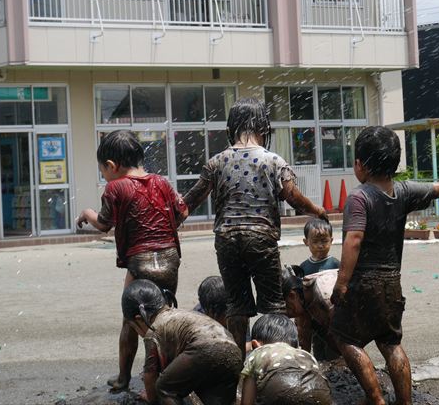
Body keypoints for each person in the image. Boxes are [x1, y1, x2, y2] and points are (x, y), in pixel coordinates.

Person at [330, 126, 439, 405]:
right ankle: (404, 401)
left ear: (360, 165)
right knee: (390, 342)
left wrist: (342, 283)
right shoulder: (404, 192)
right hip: (391, 283)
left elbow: (354, 240)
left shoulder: (359, 197)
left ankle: (376, 399)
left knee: (344, 337)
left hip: (363, 282)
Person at [183, 98, 328, 357]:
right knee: (273, 305)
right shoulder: (272, 161)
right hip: (261, 238)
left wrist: (170, 219)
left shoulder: (216, 162)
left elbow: (190, 201)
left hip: (227, 240)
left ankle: (238, 365)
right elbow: (293, 197)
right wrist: (317, 210)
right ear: (263, 126)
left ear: (232, 127)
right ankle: (277, 360)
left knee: (237, 307)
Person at [76, 130, 188, 391]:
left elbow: (104, 224)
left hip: (140, 262)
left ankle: (124, 377)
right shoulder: (161, 182)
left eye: (103, 171)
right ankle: (171, 372)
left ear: (111, 165)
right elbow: (182, 212)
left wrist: (87, 213)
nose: (104, 176)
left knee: (131, 319)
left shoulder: (115, 187)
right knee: (164, 316)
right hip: (170, 259)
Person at [122, 279, 242, 405]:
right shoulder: (180, 314)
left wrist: (151, 397)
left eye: (133, 328)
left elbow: (150, 373)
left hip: (205, 349)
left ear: (139, 319)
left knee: (164, 388)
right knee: (216, 399)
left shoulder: (153, 330)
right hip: (232, 349)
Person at [240, 314, 332, 405]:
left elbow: (247, 402)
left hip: (282, 389)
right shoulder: (304, 354)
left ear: (255, 344)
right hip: (317, 389)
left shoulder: (259, 352)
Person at [282, 265, 340, 360]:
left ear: (292, 295)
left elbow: (345, 337)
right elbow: (304, 341)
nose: (287, 315)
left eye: (286, 308)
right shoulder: (302, 304)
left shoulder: (324, 293)